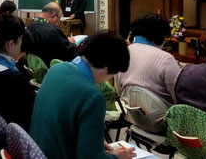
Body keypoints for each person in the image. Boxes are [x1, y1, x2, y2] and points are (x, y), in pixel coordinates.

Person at [30, 31, 134, 159]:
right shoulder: (93, 96)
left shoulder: (56, 69)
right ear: (110, 68)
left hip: (36, 152)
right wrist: (118, 157)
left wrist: (93, 141)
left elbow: (62, 123)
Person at [115, 13, 180, 107]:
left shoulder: (122, 54)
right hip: (164, 118)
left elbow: (119, 91)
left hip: (131, 113)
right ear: (162, 36)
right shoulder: (166, 59)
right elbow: (178, 98)